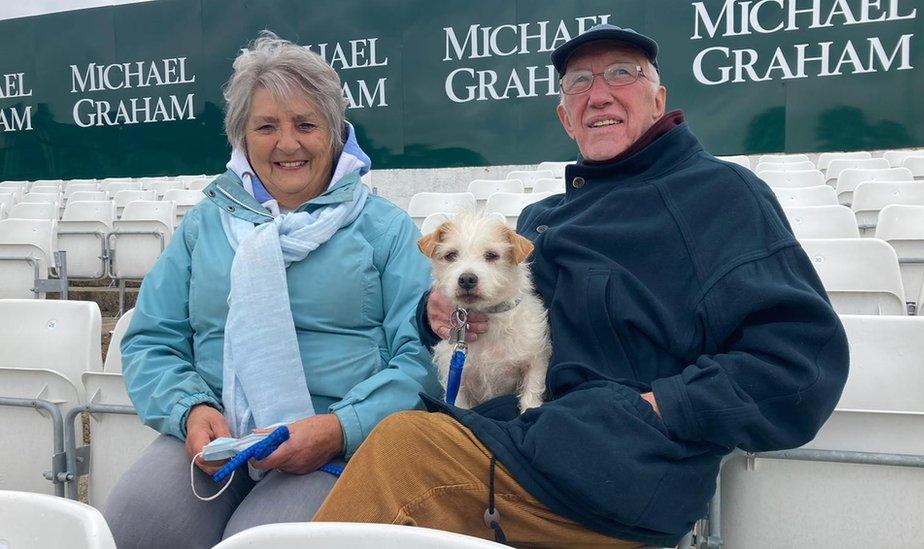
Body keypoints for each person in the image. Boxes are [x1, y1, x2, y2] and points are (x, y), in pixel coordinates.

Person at [313, 23, 849, 547]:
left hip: (616, 475)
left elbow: (798, 366)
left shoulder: (720, 195)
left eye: (622, 74)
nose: (598, 95)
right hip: (519, 439)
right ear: (565, 117)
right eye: (578, 83)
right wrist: (437, 316)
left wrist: (657, 406)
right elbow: (492, 323)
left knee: (402, 451)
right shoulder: (542, 216)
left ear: (658, 99)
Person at [103, 34, 439, 548]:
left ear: (334, 132)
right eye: (266, 126)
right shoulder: (204, 226)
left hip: (335, 440)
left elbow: (420, 359)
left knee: (264, 539)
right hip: (216, 435)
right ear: (242, 136)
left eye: (306, 124)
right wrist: (189, 408)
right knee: (137, 519)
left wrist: (340, 426)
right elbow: (152, 340)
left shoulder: (386, 230)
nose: (287, 144)